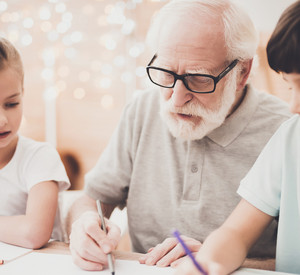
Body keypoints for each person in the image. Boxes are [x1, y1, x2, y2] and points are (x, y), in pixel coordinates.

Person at [68, 0, 292, 271]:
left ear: (242, 72)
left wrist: (218, 259)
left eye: (198, 78)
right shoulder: (142, 110)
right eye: (165, 72)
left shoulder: (286, 132)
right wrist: (84, 225)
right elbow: (92, 198)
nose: (175, 100)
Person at [175, 1, 300, 274]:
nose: (294, 106)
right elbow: (235, 233)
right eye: (290, 86)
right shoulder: (291, 139)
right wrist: (208, 262)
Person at [0, 37, 70, 248]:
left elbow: (34, 233)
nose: (3, 120)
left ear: (23, 94)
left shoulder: (39, 157)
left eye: (11, 104)